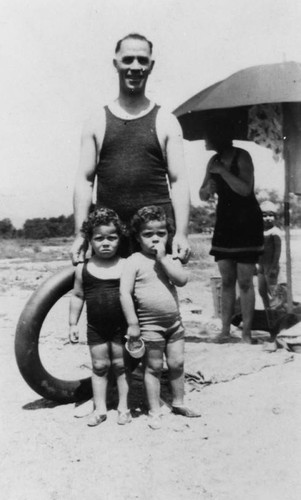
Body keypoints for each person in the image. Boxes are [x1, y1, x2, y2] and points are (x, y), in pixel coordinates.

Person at [70, 32, 190, 265]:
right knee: (106, 299)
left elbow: (179, 181)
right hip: (110, 236)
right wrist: (80, 235)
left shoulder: (166, 120)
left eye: (142, 60)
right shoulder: (96, 120)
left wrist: (183, 234)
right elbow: (84, 181)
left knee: (155, 301)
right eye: (128, 60)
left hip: (155, 237)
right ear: (116, 64)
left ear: (151, 66)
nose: (135, 67)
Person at [120, 206, 200, 430]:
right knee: (153, 367)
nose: (155, 239)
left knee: (177, 363)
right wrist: (133, 324)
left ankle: (179, 402)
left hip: (174, 324)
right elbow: (124, 293)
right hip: (149, 326)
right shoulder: (134, 261)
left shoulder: (170, 258)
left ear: (168, 234)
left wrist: (164, 259)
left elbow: (182, 280)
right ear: (137, 236)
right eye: (148, 234)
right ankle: (154, 410)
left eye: (161, 233)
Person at [199, 129, 264, 344]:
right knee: (227, 280)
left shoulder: (242, 156)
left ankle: (246, 333)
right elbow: (202, 194)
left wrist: (224, 172)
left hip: (247, 222)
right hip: (225, 223)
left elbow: (246, 189)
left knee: (245, 281)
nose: (205, 140)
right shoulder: (213, 160)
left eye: (208, 136)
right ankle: (225, 330)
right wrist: (207, 188)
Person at [69, 207, 131, 427]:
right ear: (89, 240)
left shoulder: (126, 266)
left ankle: (124, 407)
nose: (106, 243)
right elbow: (77, 296)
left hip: (121, 327)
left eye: (112, 238)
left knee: (121, 366)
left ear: (120, 239)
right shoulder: (82, 269)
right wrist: (72, 324)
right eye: (99, 238)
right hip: (95, 327)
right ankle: (100, 409)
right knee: (99, 366)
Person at [257, 200, 282, 343]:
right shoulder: (261, 231)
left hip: (271, 268)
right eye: (264, 215)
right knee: (262, 292)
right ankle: (269, 324)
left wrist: (273, 267)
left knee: (275, 298)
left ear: (275, 217)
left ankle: (277, 328)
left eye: (271, 215)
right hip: (261, 267)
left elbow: (277, 252)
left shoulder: (275, 232)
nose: (267, 218)